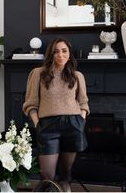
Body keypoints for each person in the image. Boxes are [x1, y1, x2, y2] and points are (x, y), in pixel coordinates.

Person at [23, 38, 90, 192]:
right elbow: (30, 103)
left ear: (69, 54)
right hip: (47, 126)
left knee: (65, 176)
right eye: (56, 51)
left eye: (64, 51)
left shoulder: (77, 75)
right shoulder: (38, 73)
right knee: (47, 176)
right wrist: (38, 123)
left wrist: (81, 119)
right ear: (51, 54)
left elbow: (83, 103)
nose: (60, 55)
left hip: (73, 125)